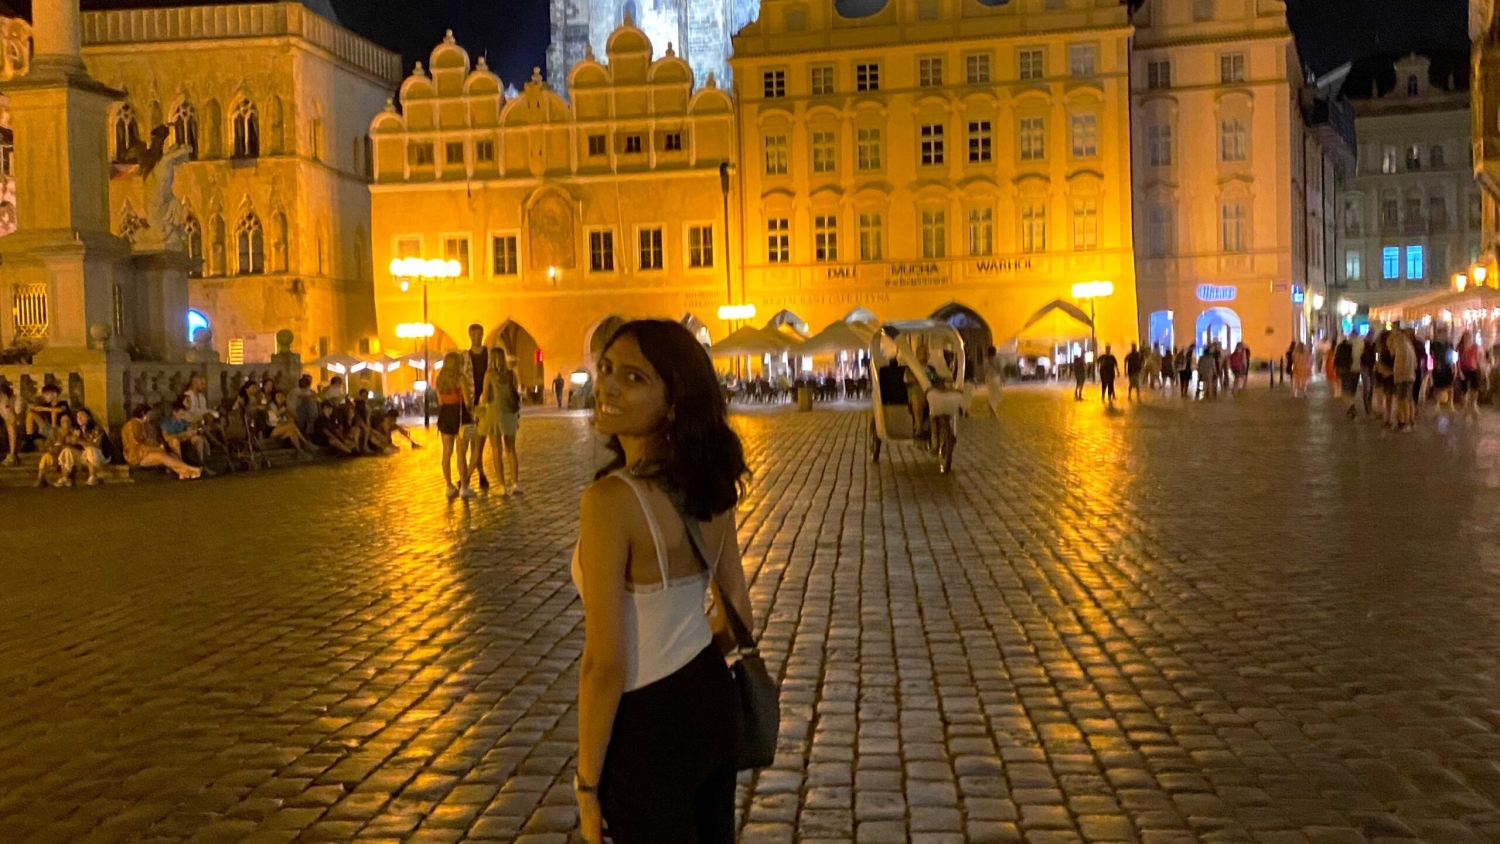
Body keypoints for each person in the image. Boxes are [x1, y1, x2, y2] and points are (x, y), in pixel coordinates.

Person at [572, 319, 753, 844]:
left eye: (633, 378)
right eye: (606, 368)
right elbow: (736, 597)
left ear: (674, 403)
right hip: (710, 694)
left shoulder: (610, 503)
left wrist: (587, 784)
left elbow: (604, 664)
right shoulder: (706, 480)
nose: (606, 385)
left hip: (646, 719)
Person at [480, 348, 523, 496]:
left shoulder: (489, 375)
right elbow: (516, 392)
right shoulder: (511, 375)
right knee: (511, 449)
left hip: (494, 414)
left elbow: (485, 397)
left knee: (496, 450)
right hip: (510, 414)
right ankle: (516, 483)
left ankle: (502, 485)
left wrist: (481, 399)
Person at [121, 404, 202, 480]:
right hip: (138, 454)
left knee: (171, 455)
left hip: (149, 450)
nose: (150, 417)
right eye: (149, 414)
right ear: (144, 415)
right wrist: (156, 448)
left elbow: (154, 439)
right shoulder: (131, 426)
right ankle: (188, 468)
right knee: (161, 456)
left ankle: (183, 471)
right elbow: (136, 445)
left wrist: (159, 447)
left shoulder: (147, 426)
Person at [436, 349, 476, 499]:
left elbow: (440, 401)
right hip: (459, 416)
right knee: (461, 453)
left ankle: (449, 486)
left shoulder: (440, 379)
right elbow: (467, 401)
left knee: (446, 452)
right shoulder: (460, 378)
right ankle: (464, 487)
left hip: (445, 415)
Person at [461, 324, 493, 491]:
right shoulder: (465, 356)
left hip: (486, 403)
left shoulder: (489, 354)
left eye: (480, 334)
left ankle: (472, 477)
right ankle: (479, 475)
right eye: (474, 334)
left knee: (479, 443)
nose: (477, 337)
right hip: (471, 403)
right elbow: (463, 379)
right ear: (469, 335)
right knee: (475, 442)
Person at [35, 413, 82, 487]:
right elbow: (48, 444)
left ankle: (64, 477)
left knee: (66, 452)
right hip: (55, 454)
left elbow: (75, 444)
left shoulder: (74, 431)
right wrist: (51, 448)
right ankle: (40, 478)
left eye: (67, 421)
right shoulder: (55, 432)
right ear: (60, 422)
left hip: (70, 455)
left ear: (71, 422)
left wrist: (62, 445)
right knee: (45, 457)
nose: (66, 423)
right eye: (63, 421)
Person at [267, 390, 317, 456]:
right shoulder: (270, 407)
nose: (280, 398)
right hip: (272, 430)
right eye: (278, 396)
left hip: (284, 430)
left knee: (292, 433)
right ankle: (305, 442)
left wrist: (290, 412)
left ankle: (300, 451)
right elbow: (271, 420)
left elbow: (296, 418)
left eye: (282, 396)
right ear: (274, 398)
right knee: (291, 425)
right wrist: (280, 413)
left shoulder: (286, 407)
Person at [161, 400, 210, 464]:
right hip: (171, 443)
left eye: (183, 415)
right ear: (174, 413)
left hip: (183, 441)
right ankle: (181, 465)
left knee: (198, 438)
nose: (182, 417)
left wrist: (197, 431)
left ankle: (200, 462)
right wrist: (182, 434)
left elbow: (190, 430)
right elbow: (166, 438)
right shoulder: (166, 423)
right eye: (180, 414)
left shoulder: (183, 422)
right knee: (175, 441)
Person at [73, 409, 109, 486]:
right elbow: (72, 442)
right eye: (77, 416)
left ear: (88, 417)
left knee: (90, 450)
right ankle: (64, 477)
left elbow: (96, 444)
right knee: (67, 451)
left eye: (82, 416)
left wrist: (79, 441)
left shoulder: (96, 428)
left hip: (99, 454)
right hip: (82, 454)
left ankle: (92, 476)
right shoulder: (76, 430)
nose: (79, 418)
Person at [1429, 328, 1455, 415]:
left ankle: (1450, 404)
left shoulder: (1450, 344)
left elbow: (1452, 355)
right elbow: (1430, 356)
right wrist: (1434, 365)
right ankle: (1437, 403)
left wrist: (1453, 366)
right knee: (1437, 386)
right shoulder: (1433, 345)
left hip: (1447, 366)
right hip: (1437, 367)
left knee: (1450, 386)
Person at [1458, 330, 1482, 416]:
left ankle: (1473, 404)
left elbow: (1478, 358)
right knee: (1464, 389)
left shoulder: (1475, 347)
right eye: (1466, 337)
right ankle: (1465, 407)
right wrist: (1459, 371)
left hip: (1473, 369)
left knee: (1475, 388)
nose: (1467, 339)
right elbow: (1457, 361)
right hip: (1464, 369)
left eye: (1469, 337)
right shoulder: (1460, 348)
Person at [1334, 335, 1358, 418]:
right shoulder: (1351, 348)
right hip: (1351, 369)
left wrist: (1336, 369)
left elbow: (1336, 359)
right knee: (1351, 390)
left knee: (1344, 390)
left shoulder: (1340, 348)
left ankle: (1351, 405)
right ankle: (1351, 406)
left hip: (1343, 370)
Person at [0, 382, 19, 466]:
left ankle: (12, 455)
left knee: (11, 429)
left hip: (10, 420)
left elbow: (14, 414)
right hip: (5, 420)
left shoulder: (11, 400)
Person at [1359, 332, 1378, 416]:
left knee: (1371, 387)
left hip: (1371, 367)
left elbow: (1377, 355)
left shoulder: (1374, 345)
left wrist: (1376, 364)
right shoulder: (1363, 345)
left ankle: (1369, 405)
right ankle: (1367, 407)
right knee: (1367, 387)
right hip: (1365, 367)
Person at [983, 345, 1004, 417]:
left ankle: (992, 408)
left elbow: (985, 370)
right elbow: (1000, 368)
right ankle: (993, 408)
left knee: (991, 394)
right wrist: (1003, 377)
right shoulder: (997, 359)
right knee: (997, 393)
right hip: (996, 378)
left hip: (989, 379)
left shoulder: (986, 360)